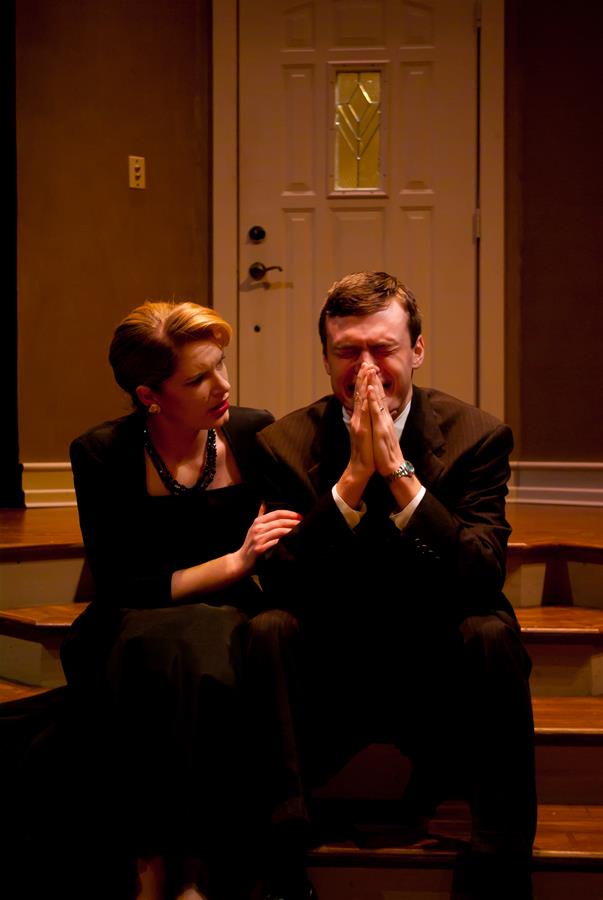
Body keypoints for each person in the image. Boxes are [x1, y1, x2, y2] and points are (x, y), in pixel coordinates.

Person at [247, 272, 537, 900]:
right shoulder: (283, 445)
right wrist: (350, 480)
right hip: (335, 666)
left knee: (491, 630)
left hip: (434, 665)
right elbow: (287, 580)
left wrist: (402, 477)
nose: (367, 367)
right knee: (268, 628)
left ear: (417, 350)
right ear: (326, 358)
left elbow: (482, 573)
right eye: (348, 351)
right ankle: (279, 852)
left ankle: (500, 859)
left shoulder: (477, 437)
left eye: (383, 348)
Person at [39, 301, 300, 900]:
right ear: (149, 394)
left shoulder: (254, 431)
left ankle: (185, 867)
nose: (223, 386)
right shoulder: (101, 451)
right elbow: (124, 583)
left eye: (222, 366)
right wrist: (235, 561)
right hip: (138, 615)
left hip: (232, 614)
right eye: (198, 378)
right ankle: (162, 866)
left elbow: (291, 533)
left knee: (214, 651)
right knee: (173, 651)